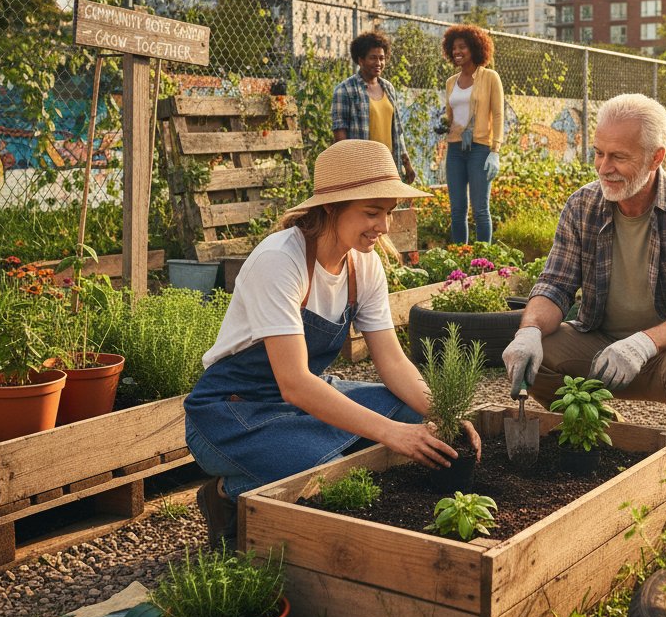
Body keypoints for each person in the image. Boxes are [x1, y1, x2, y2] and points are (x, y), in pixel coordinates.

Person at [184, 139, 481, 548]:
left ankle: (277, 469)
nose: (385, 226)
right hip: (231, 413)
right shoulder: (280, 262)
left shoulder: (364, 265)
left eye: (389, 213)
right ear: (330, 207)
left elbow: (392, 361)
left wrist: (444, 412)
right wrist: (391, 434)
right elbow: (295, 383)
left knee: (412, 416)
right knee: (329, 471)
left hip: (300, 404)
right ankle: (226, 495)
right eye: (372, 212)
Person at [501, 93, 666, 483]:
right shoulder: (583, 205)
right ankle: (612, 439)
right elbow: (555, 284)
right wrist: (528, 330)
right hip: (601, 344)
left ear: (656, 158)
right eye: (598, 153)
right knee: (537, 353)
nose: (603, 168)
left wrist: (644, 343)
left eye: (619, 157)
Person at [442, 24, 504, 244]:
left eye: (463, 47)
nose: (457, 52)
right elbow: (450, 116)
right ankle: (461, 258)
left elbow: (497, 114)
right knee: (457, 210)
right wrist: (443, 125)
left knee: (480, 210)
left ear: (476, 48)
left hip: (480, 148)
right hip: (455, 149)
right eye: (454, 48)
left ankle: (483, 261)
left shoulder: (489, 77)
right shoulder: (451, 82)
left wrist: (495, 151)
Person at [332, 31, 417, 184]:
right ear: (360, 60)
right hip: (362, 167)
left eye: (382, 58)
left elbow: (397, 131)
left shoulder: (388, 88)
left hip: (388, 165)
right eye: (373, 58)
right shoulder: (345, 90)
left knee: (387, 207)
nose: (378, 63)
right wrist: (347, 169)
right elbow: (340, 133)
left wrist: (407, 164)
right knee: (365, 208)